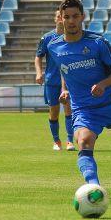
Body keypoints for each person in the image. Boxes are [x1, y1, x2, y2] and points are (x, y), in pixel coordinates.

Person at [47, 0, 111, 188]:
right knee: (83, 141)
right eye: (66, 17)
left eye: (75, 16)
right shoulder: (54, 47)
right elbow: (64, 69)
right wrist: (65, 89)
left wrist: (102, 84)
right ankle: (94, 189)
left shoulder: (98, 42)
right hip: (85, 109)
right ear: (60, 19)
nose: (71, 21)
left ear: (82, 17)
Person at [35, 9, 75, 151]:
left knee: (69, 109)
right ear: (55, 19)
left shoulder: (71, 37)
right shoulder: (47, 38)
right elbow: (38, 56)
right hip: (52, 80)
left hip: (69, 80)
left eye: (61, 16)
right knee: (54, 111)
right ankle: (56, 141)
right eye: (58, 16)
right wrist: (39, 73)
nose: (60, 18)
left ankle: (70, 141)